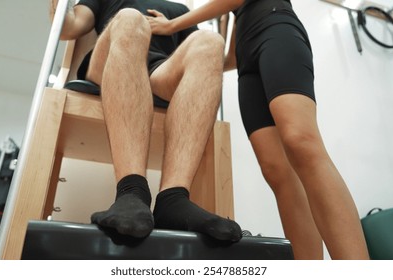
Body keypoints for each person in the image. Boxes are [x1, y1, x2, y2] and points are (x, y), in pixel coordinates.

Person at [147, 0, 370, 259]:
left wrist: (171, 25)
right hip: (246, 61)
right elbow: (230, 56)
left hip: (275, 29)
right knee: (276, 171)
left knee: (300, 141)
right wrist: (185, 66)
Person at [49, 0, 242, 242]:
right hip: (112, 60)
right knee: (131, 18)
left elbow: (218, 62)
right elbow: (70, 26)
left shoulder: (179, 11)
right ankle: (131, 190)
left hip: (158, 72)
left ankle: (173, 200)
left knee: (210, 41)